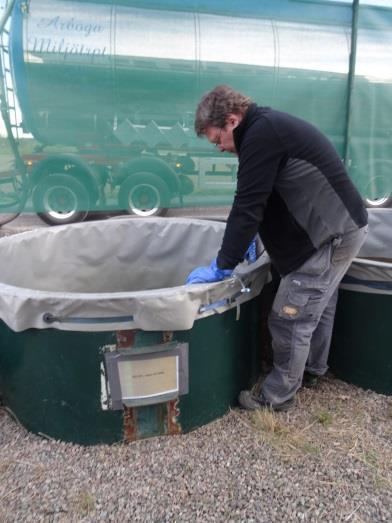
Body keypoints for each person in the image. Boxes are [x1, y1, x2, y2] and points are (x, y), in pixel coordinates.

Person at [186, 85, 368, 412]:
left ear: (231, 120)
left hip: (330, 235)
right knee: (319, 304)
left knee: (291, 317)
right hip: (339, 227)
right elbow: (267, 195)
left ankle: (277, 397)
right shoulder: (265, 127)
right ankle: (311, 370)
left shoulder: (261, 134)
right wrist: (254, 241)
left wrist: (223, 264)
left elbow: (247, 205)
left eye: (218, 140)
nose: (220, 149)